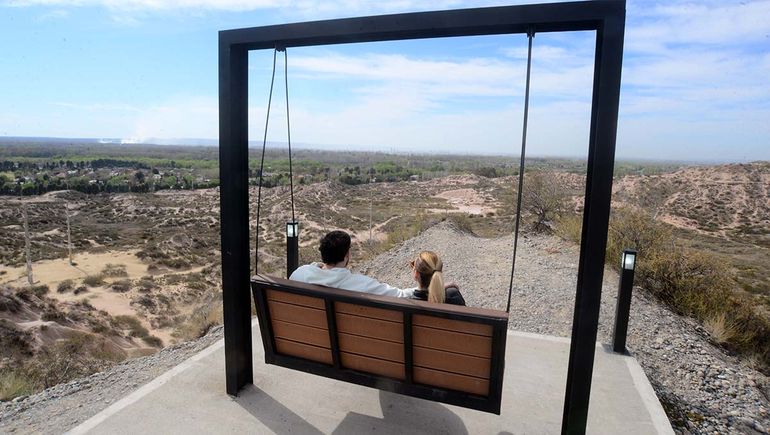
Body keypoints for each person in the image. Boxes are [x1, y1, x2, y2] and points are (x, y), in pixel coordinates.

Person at [290, 230, 413, 298]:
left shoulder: (300, 274)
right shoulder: (362, 284)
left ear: (322, 253)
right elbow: (400, 295)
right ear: (347, 255)